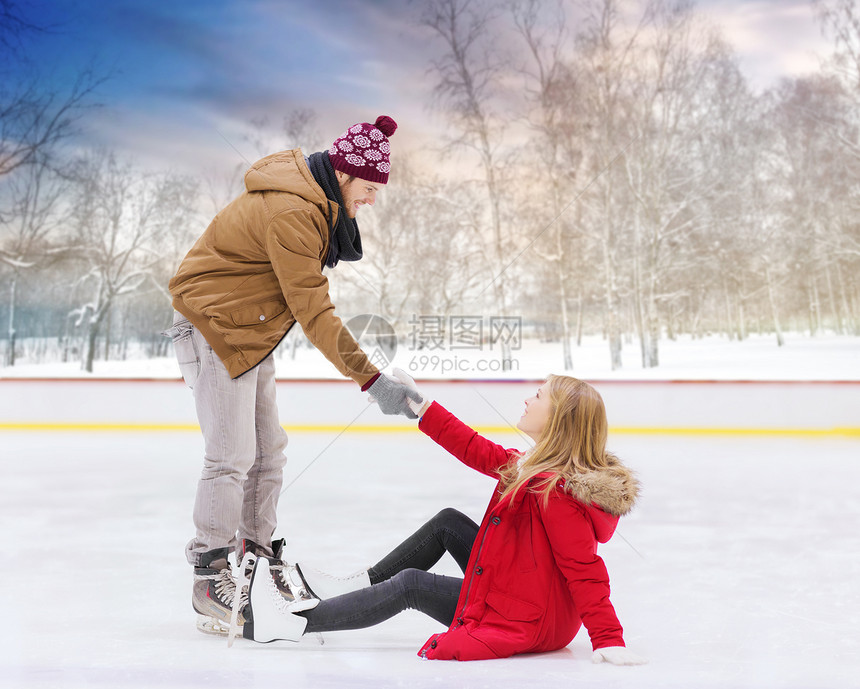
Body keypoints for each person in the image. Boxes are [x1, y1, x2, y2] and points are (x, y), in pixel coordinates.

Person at [164, 115, 421, 635]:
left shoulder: (312, 204)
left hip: (245, 329)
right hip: (211, 324)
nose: (371, 200)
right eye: (369, 188)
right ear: (345, 176)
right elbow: (315, 313)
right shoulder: (293, 213)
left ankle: (254, 558)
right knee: (231, 454)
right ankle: (210, 577)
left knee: (270, 449)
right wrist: (372, 381)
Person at [239, 371, 647, 664]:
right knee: (449, 522)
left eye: (538, 396)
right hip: (526, 594)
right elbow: (476, 449)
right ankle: (352, 586)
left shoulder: (556, 493)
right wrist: (422, 408)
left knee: (411, 585)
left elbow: (584, 568)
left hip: (527, 618)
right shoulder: (532, 468)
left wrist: (608, 638)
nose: (527, 399)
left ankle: (294, 623)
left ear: (559, 419)